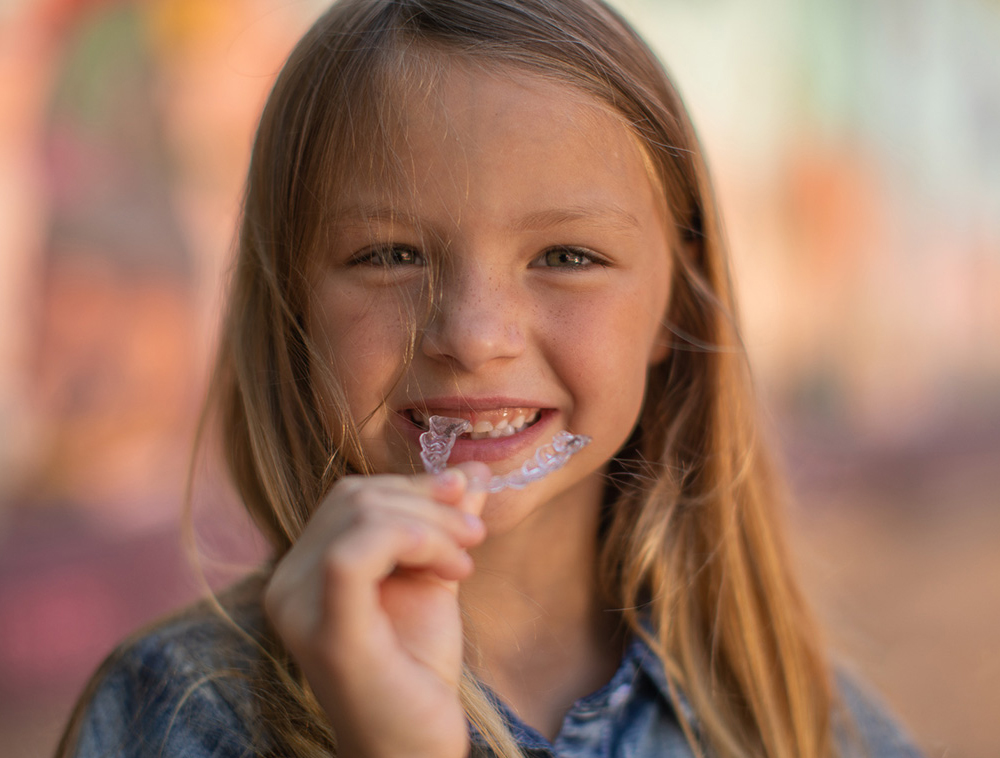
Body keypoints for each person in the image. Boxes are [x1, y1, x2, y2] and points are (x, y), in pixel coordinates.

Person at [55, 1, 925, 757]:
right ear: (291, 304)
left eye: (567, 256)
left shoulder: (809, 723)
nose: (472, 337)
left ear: (676, 309)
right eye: (389, 255)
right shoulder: (173, 715)